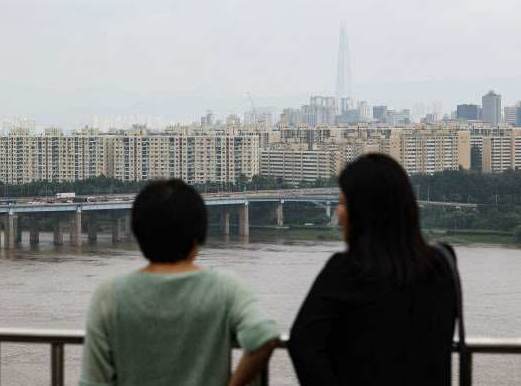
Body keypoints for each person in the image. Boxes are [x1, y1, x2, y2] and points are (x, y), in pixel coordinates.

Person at [80, 179, 279, 386]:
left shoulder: (110, 293)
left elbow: (93, 381)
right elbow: (265, 338)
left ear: (139, 236)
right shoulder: (226, 286)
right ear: (198, 238)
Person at [288, 153, 457, 386]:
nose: (338, 212)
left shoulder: (347, 271)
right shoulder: (442, 265)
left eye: (344, 203)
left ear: (364, 213)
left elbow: (302, 343)